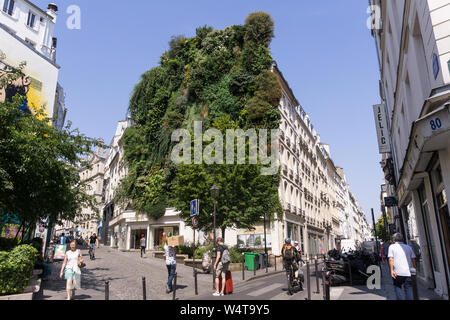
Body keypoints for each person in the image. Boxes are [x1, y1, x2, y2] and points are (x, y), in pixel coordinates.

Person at [388, 233, 417, 300]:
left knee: (398, 288)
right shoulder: (408, 247)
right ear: (402, 239)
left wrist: (392, 270)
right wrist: (415, 269)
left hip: (397, 272)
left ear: (394, 240)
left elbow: (390, 259)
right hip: (408, 272)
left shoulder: (392, 247)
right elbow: (413, 259)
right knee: (409, 289)